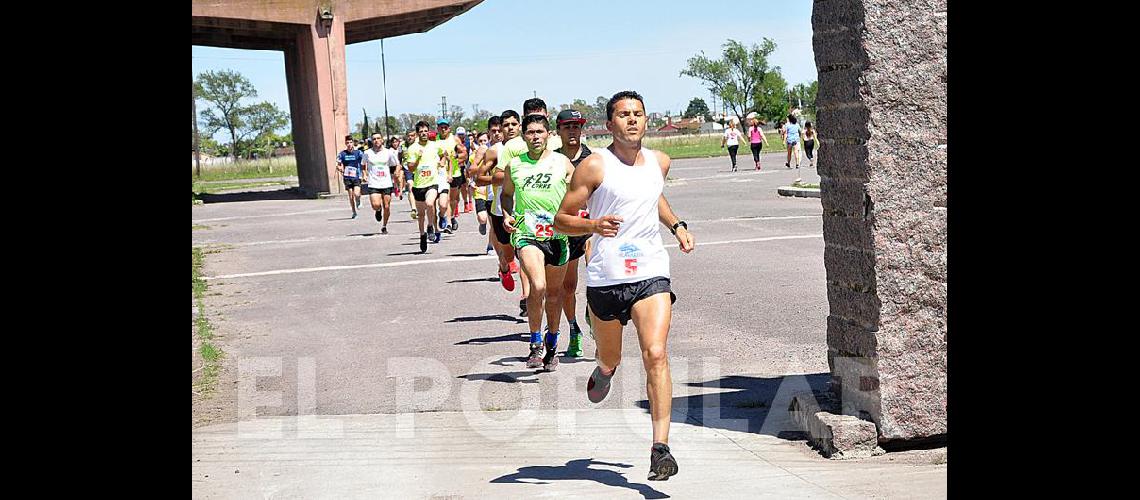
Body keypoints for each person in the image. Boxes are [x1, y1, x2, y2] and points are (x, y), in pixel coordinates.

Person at [554, 90, 694, 481]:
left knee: (656, 353)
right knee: (612, 356)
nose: (632, 120)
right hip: (606, 276)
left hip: (650, 272)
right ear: (609, 123)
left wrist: (677, 225)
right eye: (623, 115)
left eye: (638, 114)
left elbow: (652, 197)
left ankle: (660, 448)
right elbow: (561, 220)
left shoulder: (659, 162)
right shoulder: (594, 168)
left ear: (646, 120)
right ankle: (604, 366)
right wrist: (593, 226)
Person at [501, 114, 576, 371]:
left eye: (540, 132)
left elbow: (579, 193)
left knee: (554, 295)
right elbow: (507, 195)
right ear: (524, 136)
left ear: (548, 135)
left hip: (557, 236)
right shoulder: (515, 165)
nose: (535, 137)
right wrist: (508, 214)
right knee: (538, 285)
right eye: (530, 132)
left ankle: (552, 344)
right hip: (527, 234)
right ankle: (535, 343)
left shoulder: (562, 163)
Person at [475, 110, 530, 315]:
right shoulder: (495, 151)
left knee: (524, 253)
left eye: (514, 124)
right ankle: (504, 268)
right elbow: (479, 179)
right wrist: (503, 178)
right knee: (508, 254)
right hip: (500, 209)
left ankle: (526, 297)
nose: (510, 128)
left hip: (524, 209)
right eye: (506, 125)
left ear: (520, 126)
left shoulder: (528, 147)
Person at [553, 109, 593, 358]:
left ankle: (597, 321)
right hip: (565, 230)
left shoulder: (593, 160)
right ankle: (574, 328)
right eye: (567, 126)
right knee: (568, 287)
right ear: (558, 130)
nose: (572, 131)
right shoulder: (553, 160)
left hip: (590, 229)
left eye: (576, 126)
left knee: (598, 279)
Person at [405, 121, 448, 252]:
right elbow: (411, 169)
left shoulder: (435, 145)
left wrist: (442, 161)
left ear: (429, 132)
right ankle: (422, 235)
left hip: (432, 183)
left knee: (430, 204)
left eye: (426, 131)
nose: (424, 133)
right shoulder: (412, 148)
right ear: (418, 134)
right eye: (421, 131)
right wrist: (418, 159)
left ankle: (430, 226)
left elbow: (444, 154)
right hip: (419, 185)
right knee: (421, 214)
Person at [362, 133, 400, 234]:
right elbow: (363, 164)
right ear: (371, 141)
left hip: (386, 183)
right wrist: (364, 174)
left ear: (382, 140)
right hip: (374, 183)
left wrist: (396, 172)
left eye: (378, 138)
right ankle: (378, 210)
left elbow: (396, 164)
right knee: (375, 204)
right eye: (374, 139)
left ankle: (384, 226)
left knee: (387, 206)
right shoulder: (367, 153)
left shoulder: (389, 152)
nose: (376, 140)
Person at [335, 135, 365, 218]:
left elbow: (364, 162)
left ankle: (358, 200)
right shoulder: (342, 154)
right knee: (351, 196)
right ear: (345, 143)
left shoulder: (358, 153)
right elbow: (338, 164)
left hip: (356, 176)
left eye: (350, 142)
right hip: (347, 177)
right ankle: (354, 212)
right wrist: (340, 168)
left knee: (356, 193)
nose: (349, 144)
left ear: (353, 143)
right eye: (347, 143)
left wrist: (364, 174)